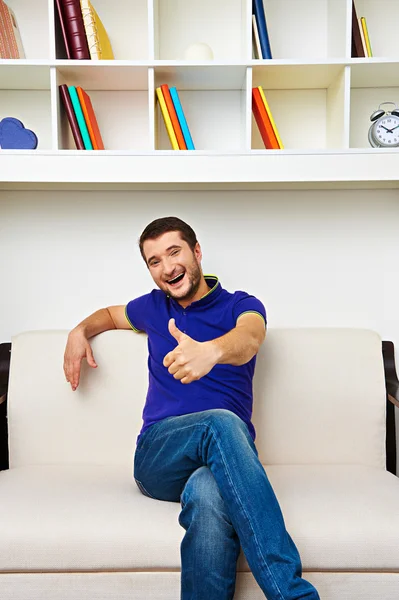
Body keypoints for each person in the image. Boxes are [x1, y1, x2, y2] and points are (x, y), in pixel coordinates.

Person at [63, 216, 320, 600]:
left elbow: (249, 338)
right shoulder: (152, 308)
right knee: (220, 423)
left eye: (173, 251)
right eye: (154, 261)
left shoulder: (241, 305)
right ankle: (292, 594)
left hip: (222, 458)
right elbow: (110, 315)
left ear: (196, 252)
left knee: (209, 495)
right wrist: (79, 331)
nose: (167, 267)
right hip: (158, 454)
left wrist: (211, 351)